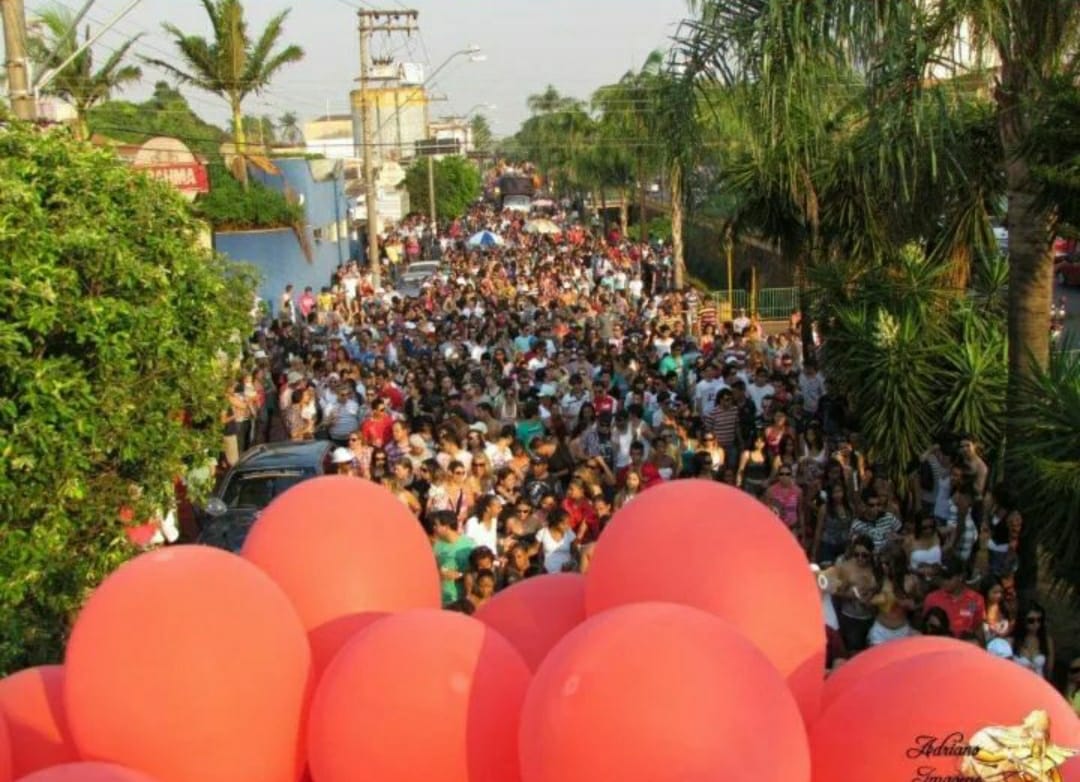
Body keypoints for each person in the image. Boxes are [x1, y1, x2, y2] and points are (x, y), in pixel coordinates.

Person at [922, 555, 985, 642]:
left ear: (960, 577)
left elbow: (977, 627)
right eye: (942, 577)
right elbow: (925, 628)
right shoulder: (931, 599)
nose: (944, 581)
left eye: (948, 577)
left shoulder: (975, 600)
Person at [431, 510, 475, 608]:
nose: (434, 527)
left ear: (446, 527)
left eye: (436, 525)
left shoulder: (469, 545)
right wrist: (440, 572)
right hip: (441, 599)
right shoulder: (437, 545)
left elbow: (475, 572)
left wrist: (459, 575)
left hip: (460, 601)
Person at [1011, 602, 1054, 681]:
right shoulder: (1012, 641)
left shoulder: (1046, 640)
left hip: (1038, 685)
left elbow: (1049, 671)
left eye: (1039, 620)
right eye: (1031, 620)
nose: (1036, 623)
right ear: (1022, 620)